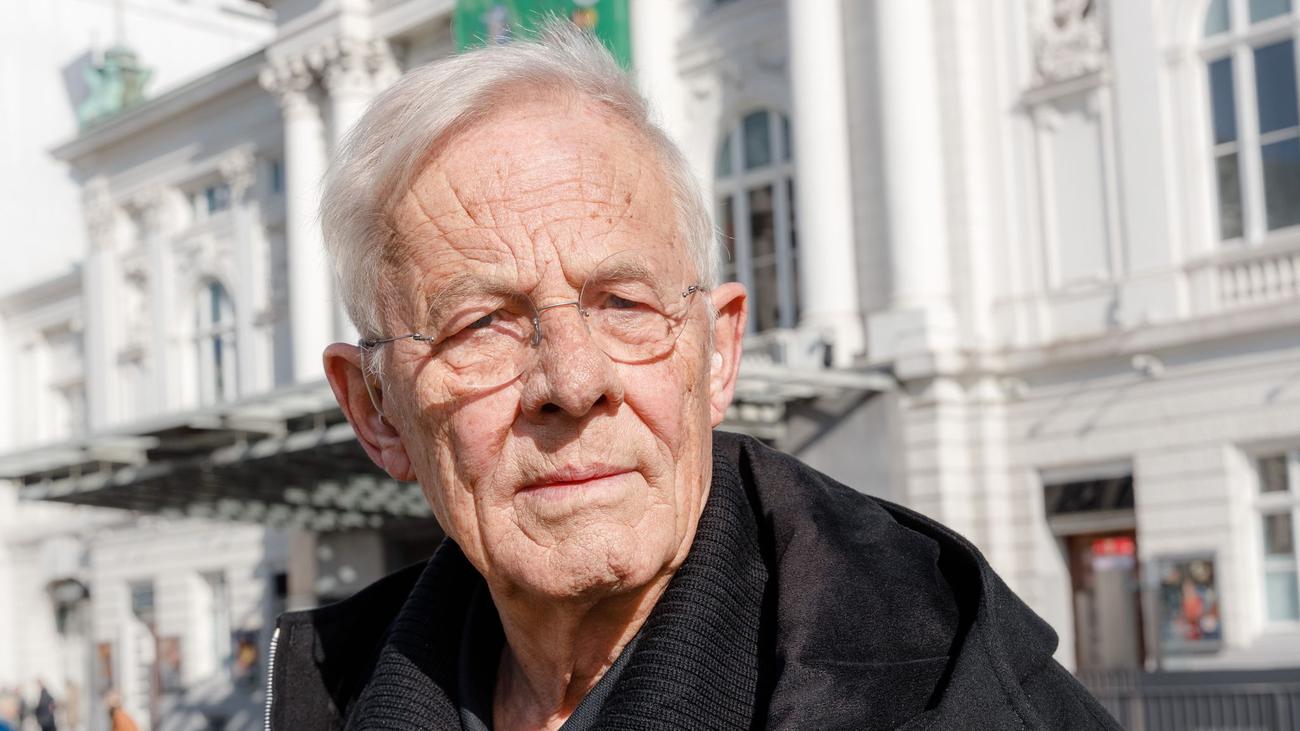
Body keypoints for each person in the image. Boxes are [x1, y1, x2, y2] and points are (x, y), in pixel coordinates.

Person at [267, 23, 1120, 730]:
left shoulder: (955, 693)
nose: (573, 380)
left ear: (717, 353)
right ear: (375, 408)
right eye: (482, 323)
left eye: (623, 303)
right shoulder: (330, 690)